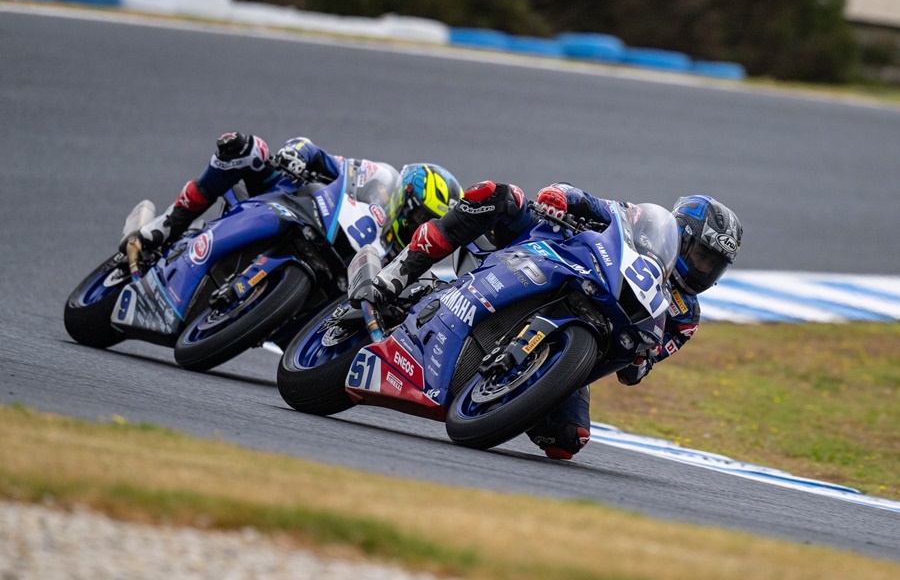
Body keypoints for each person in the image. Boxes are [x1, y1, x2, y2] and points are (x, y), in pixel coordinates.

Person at [352, 181, 742, 460]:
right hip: (549, 255)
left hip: (583, 339)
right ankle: (397, 275)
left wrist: (643, 360)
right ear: (681, 237)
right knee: (498, 196)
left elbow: (635, 370)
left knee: (568, 440)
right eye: (702, 256)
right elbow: (593, 203)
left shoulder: (685, 316)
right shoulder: (642, 225)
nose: (704, 269)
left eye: (715, 266)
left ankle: (506, 388)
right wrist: (561, 197)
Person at [131, 132, 463, 260]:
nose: (420, 230)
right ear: (406, 198)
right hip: (292, 202)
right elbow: (315, 151)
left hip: (328, 273)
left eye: (429, 227)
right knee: (245, 148)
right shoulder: (379, 181)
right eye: (421, 218)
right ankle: (163, 228)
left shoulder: (404, 262)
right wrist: (296, 155)